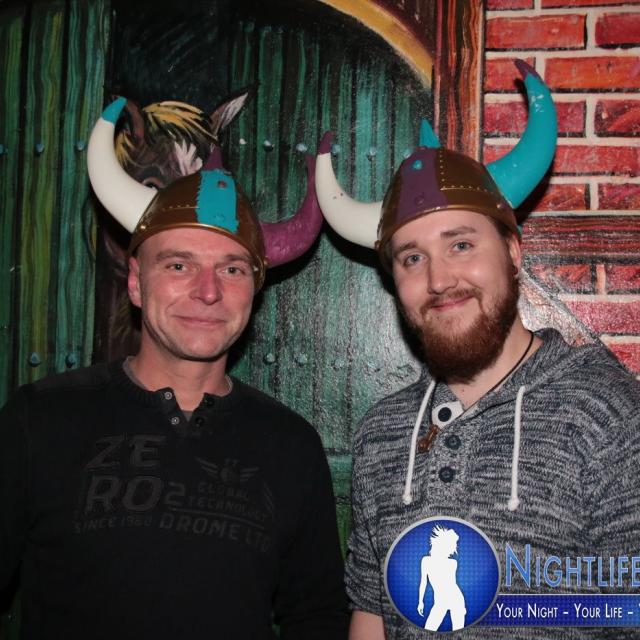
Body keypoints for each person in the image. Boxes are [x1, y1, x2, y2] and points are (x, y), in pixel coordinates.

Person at [0, 98, 348, 639]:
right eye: (179, 264)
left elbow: (317, 617)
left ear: (254, 291)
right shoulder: (38, 419)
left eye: (232, 269)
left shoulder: (291, 445)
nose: (208, 292)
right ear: (136, 283)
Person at [315, 61, 640, 639]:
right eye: (412, 257)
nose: (439, 279)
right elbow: (371, 612)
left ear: (512, 251)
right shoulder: (382, 431)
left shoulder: (608, 412)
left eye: (461, 244)